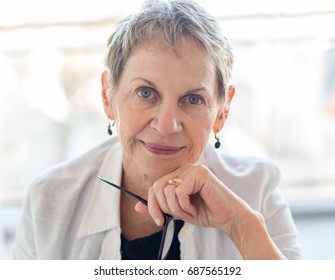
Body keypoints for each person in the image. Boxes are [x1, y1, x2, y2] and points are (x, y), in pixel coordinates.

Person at [13, 0, 303, 260]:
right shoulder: (48, 200)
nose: (166, 126)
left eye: (192, 99)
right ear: (107, 97)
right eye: (145, 93)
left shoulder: (258, 190)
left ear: (222, 112)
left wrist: (239, 225)